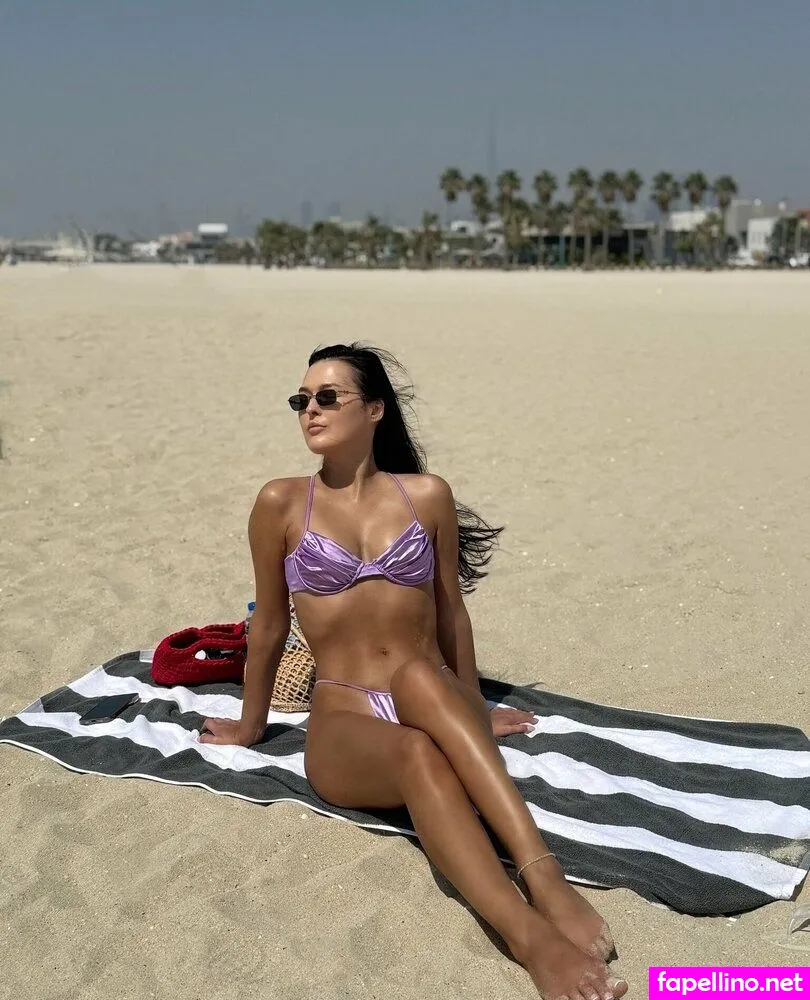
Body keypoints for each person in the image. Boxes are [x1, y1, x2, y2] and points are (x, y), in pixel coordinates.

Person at [200, 343, 628, 1000]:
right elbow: (269, 627)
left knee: (422, 679)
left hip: (423, 690)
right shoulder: (281, 503)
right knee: (416, 753)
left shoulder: (427, 497)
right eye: (301, 400)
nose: (310, 410)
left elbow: (452, 613)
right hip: (344, 717)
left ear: (374, 409)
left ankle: (544, 877)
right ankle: (530, 938)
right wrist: (250, 725)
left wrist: (476, 710)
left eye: (327, 397)